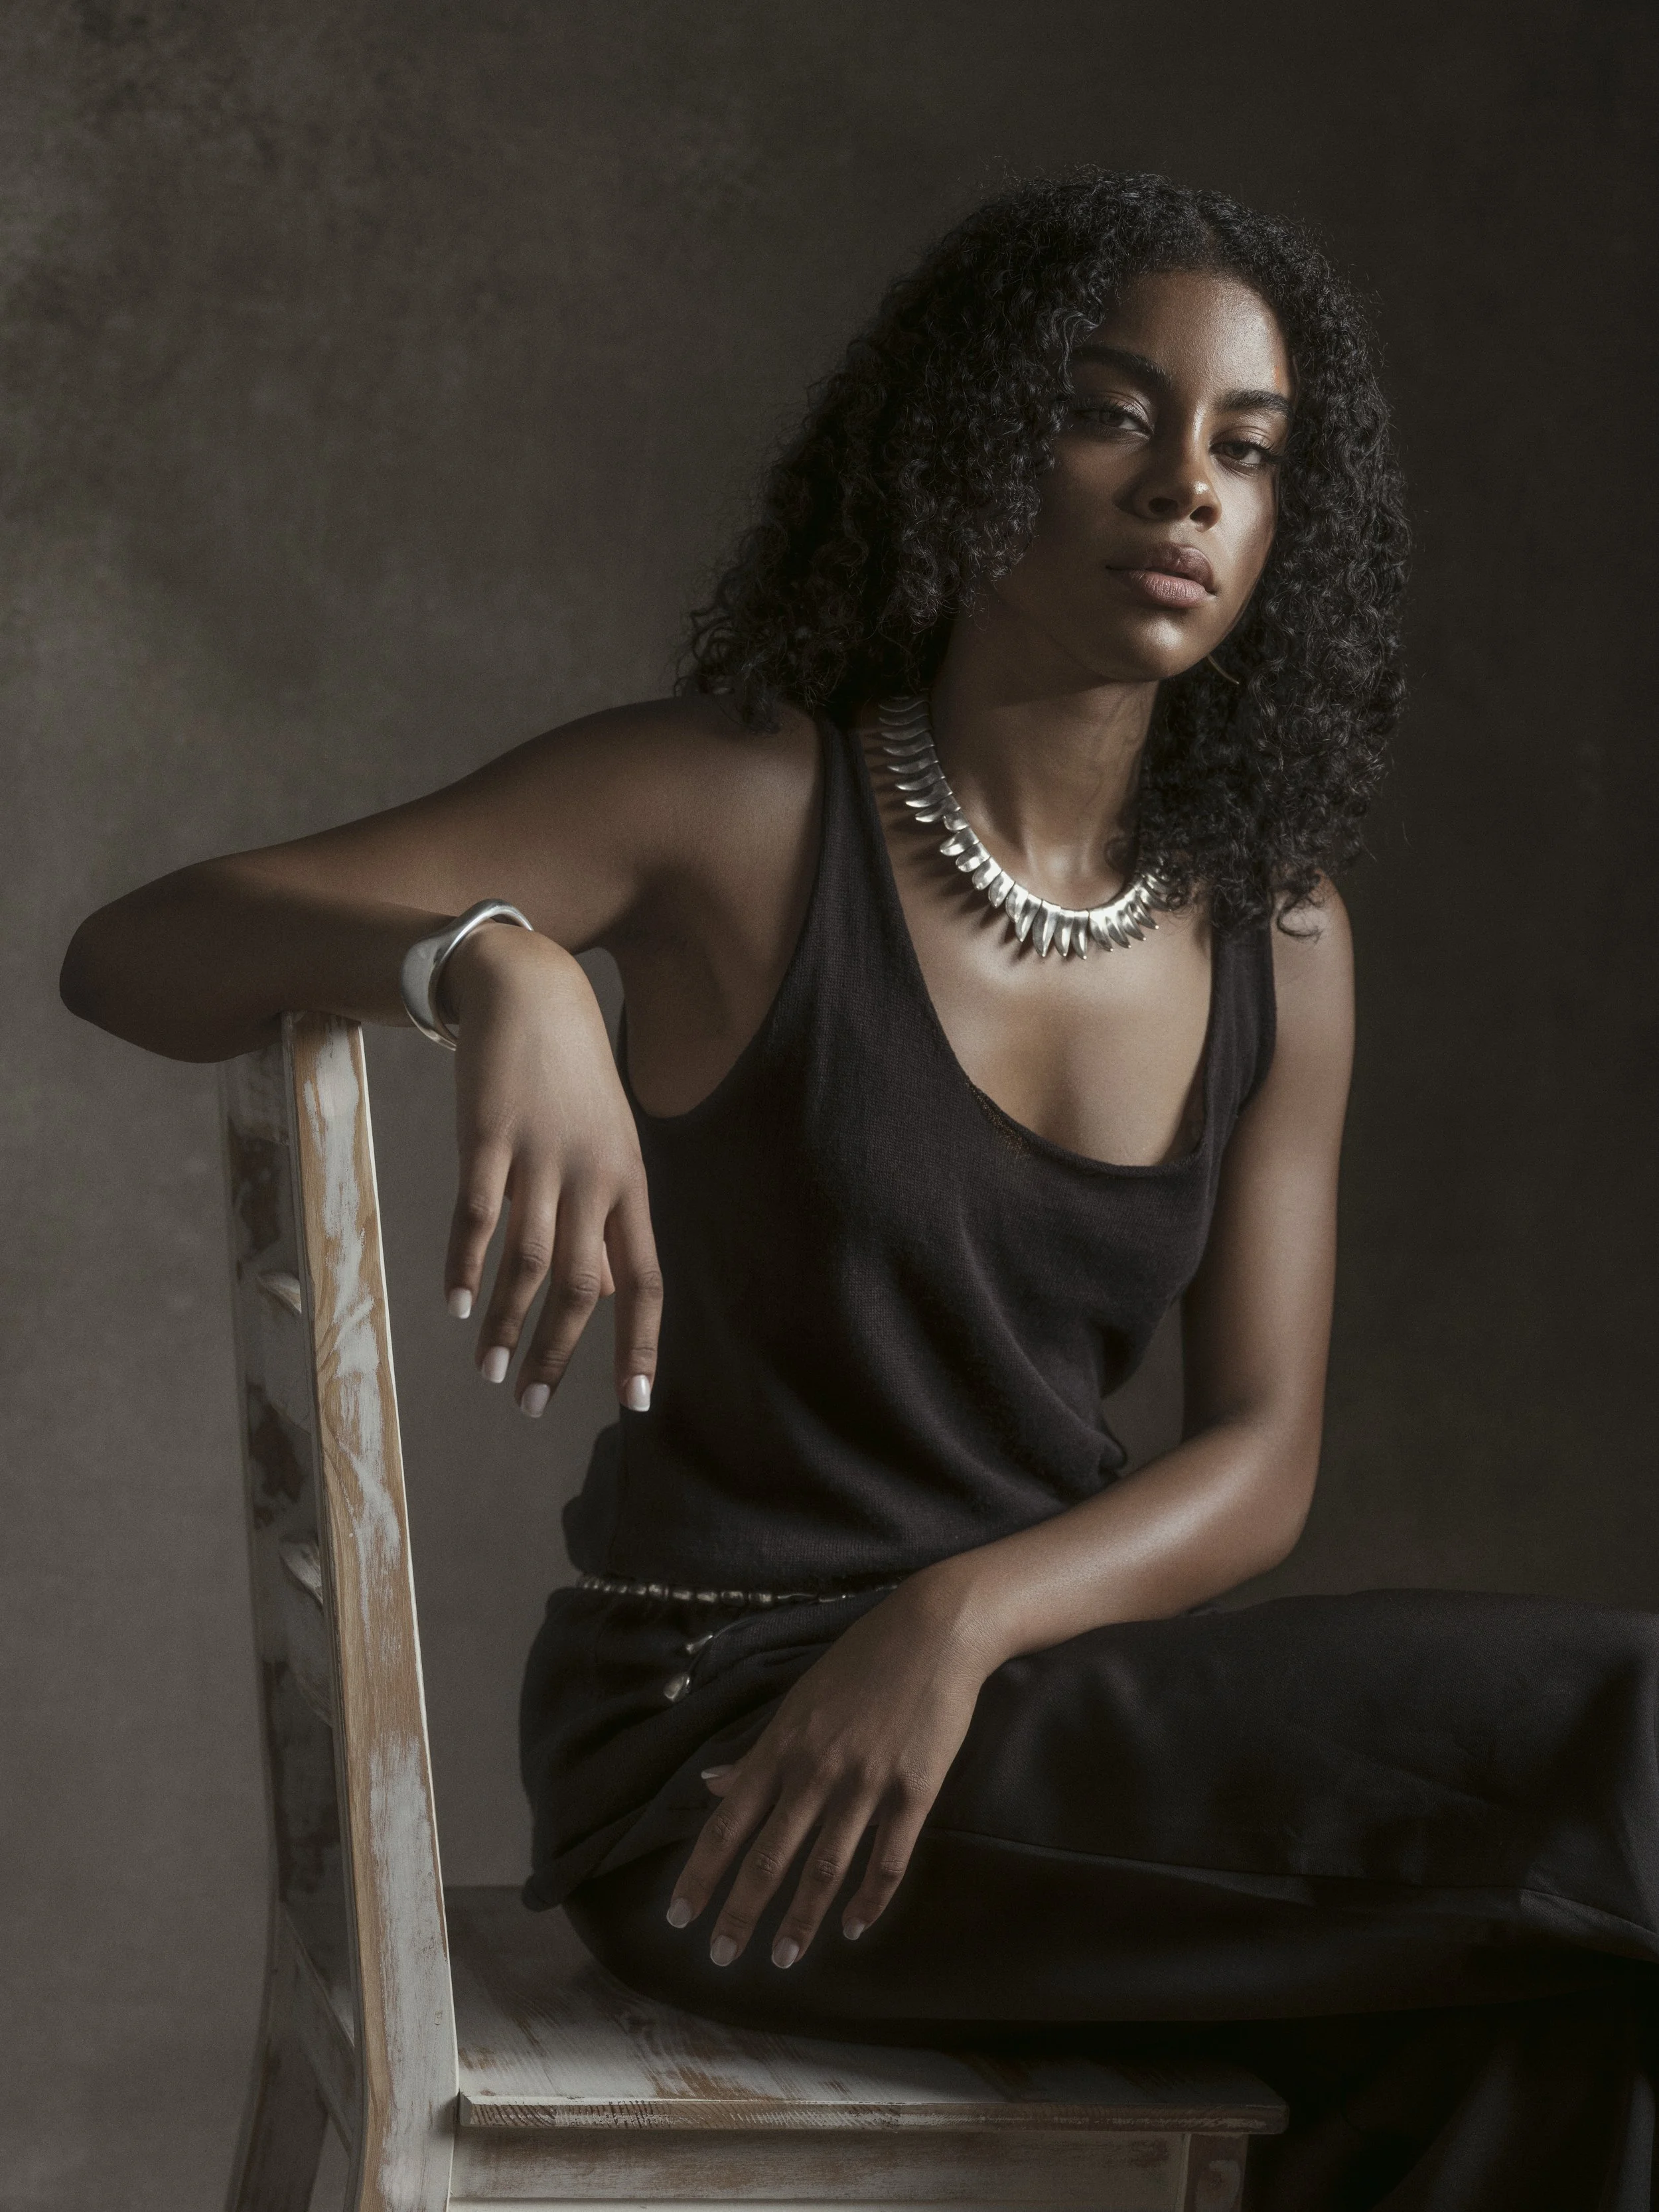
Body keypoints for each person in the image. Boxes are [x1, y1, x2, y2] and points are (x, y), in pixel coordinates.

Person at [61, 171, 1659, 2208]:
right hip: (725, 1762)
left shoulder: (1284, 933)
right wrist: (485, 957)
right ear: (972, 438)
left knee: (1559, 2014)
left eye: (1247, 451)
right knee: (1632, 1739)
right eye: (1111, 413)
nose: (1186, 489)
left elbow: (1260, 1457)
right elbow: (131, 952)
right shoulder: (736, 812)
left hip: (1009, 1703)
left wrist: (956, 1618)